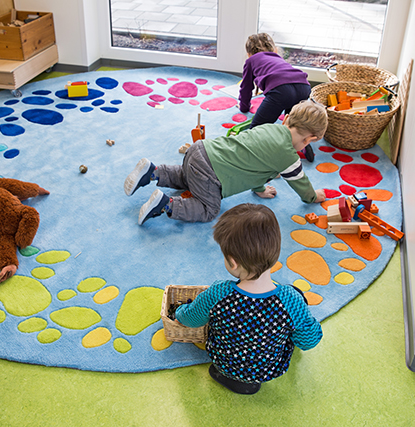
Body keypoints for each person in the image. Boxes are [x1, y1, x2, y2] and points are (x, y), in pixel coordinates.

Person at [175, 203, 323, 394]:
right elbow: (309, 341)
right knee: (297, 302)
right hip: (267, 369)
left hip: (225, 363)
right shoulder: (290, 299)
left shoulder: (218, 293)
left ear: (233, 262)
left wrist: (179, 312)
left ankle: (230, 377)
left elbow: (190, 319)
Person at [124, 100, 327, 225]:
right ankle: (166, 205)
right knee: (209, 209)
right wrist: (312, 197)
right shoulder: (288, 156)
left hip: (201, 150)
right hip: (211, 174)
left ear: (286, 120)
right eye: (305, 142)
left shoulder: (268, 128)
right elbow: (300, 182)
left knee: (188, 178)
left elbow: (254, 162)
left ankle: (154, 172)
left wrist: (259, 189)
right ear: (309, 139)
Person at [239, 33, 315, 161]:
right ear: (275, 50)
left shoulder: (250, 61)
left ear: (249, 54)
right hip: (303, 86)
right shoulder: (277, 58)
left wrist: (244, 107)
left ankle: (256, 156)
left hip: (281, 91)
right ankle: (301, 141)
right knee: (293, 122)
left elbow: (246, 88)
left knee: (258, 128)